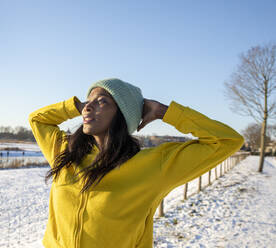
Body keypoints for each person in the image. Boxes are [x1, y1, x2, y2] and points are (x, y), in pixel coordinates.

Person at [28, 78, 244, 248]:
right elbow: (37, 119)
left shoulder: (154, 165)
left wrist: (164, 112)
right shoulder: (66, 152)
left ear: (123, 115)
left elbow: (227, 140)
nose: (88, 107)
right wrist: (73, 106)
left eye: (102, 101)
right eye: (88, 101)